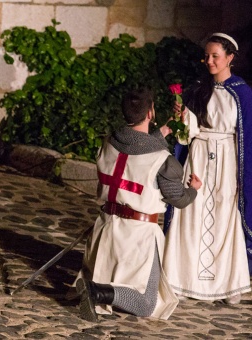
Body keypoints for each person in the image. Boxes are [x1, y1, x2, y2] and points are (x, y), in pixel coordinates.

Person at [71, 87, 202, 322]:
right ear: (151, 112)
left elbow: (135, 149)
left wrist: (167, 127)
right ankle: (97, 292)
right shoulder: (163, 161)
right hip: (138, 237)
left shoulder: (109, 143)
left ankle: (96, 286)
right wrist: (193, 189)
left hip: (105, 229)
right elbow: (179, 199)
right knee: (146, 303)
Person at [163, 32, 252, 304]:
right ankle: (181, 279)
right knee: (191, 215)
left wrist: (242, 175)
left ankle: (227, 284)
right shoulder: (198, 88)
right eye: (207, 56)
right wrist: (182, 118)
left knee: (225, 217)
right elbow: (186, 135)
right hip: (199, 157)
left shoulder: (243, 93)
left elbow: (247, 135)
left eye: (215, 56)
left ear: (230, 58)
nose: (210, 61)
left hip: (227, 162)